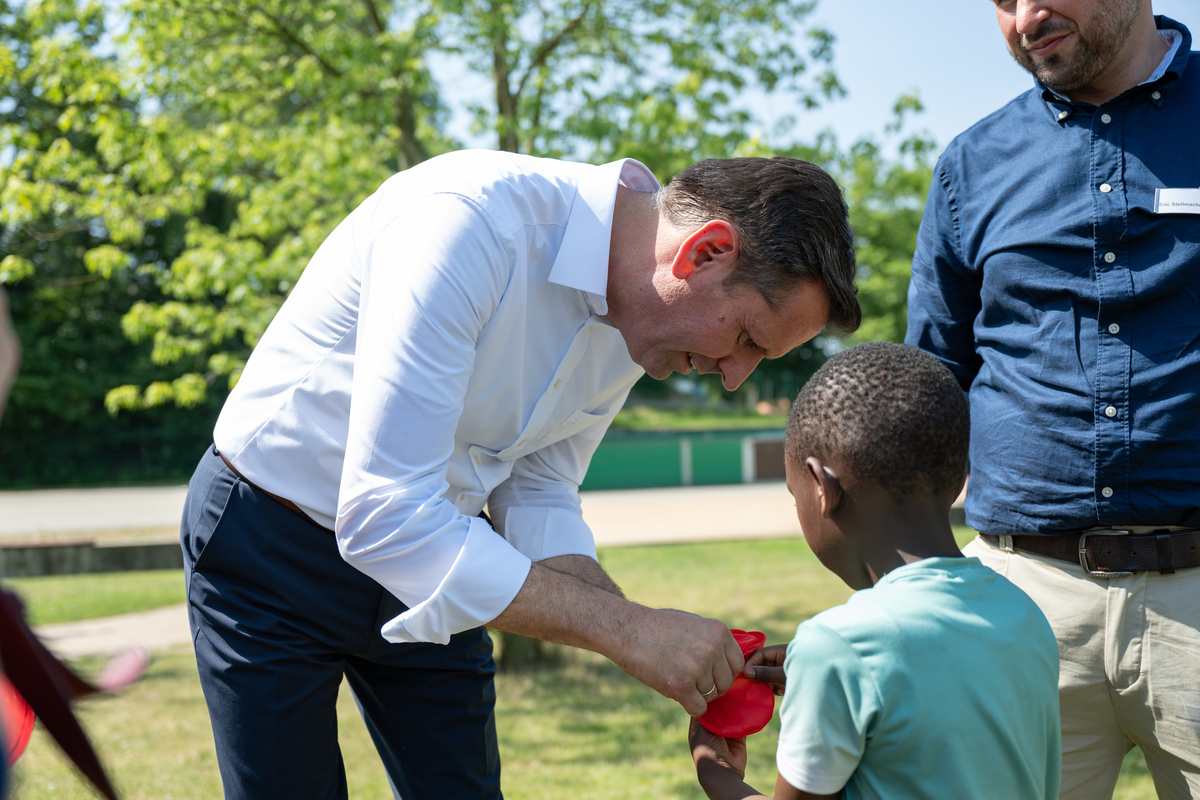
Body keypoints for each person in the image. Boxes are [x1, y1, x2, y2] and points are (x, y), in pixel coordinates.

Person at [182, 149, 861, 799]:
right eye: (746, 339)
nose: (736, 377)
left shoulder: (643, 317)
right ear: (705, 253)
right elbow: (387, 515)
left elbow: (538, 489)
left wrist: (656, 641)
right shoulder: (466, 222)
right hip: (271, 545)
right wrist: (629, 630)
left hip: (442, 547)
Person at [905, 1, 1200, 796]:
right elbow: (931, 383)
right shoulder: (971, 165)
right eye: (1002, 0)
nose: (1026, 16)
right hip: (1022, 605)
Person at [688, 342, 1061, 800]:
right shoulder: (1023, 613)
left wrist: (716, 772)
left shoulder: (838, 647)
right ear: (956, 478)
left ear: (822, 488)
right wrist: (837, 678)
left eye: (794, 493)